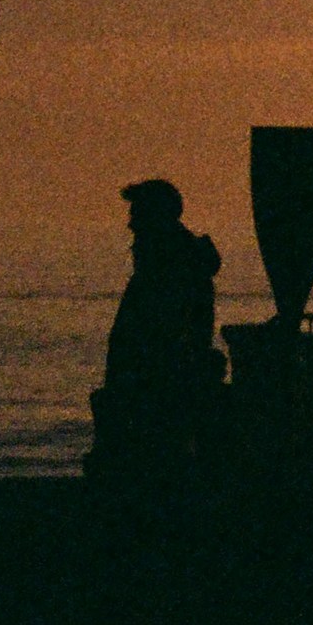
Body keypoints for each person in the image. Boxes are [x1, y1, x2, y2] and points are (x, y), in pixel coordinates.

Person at [91, 178, 225, 480]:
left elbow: (164, 337)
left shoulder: (170, 277)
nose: (131, 226)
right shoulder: (173, 270)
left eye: (137, 215)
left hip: (158, 390)